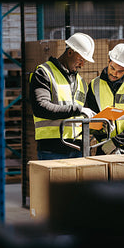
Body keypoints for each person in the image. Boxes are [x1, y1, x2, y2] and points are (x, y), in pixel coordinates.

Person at [29, 32, 97, 160]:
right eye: (81, 59)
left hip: (78, 149)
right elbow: (41, 107)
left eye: (84, 61)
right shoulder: (43, 73)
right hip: (52, 150)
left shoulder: (81, 82)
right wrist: (78, 110)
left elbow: (84, 114)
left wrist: (101, 123)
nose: (82, 65)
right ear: (70, 52)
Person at [85, 43, 124, 155]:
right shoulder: (94, 85)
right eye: (112, 68)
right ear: (109, 61)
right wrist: (106, 142)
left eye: (120, 71)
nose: (115, 73)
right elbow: (93, 120)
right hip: (104, 146)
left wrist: (116, 142)